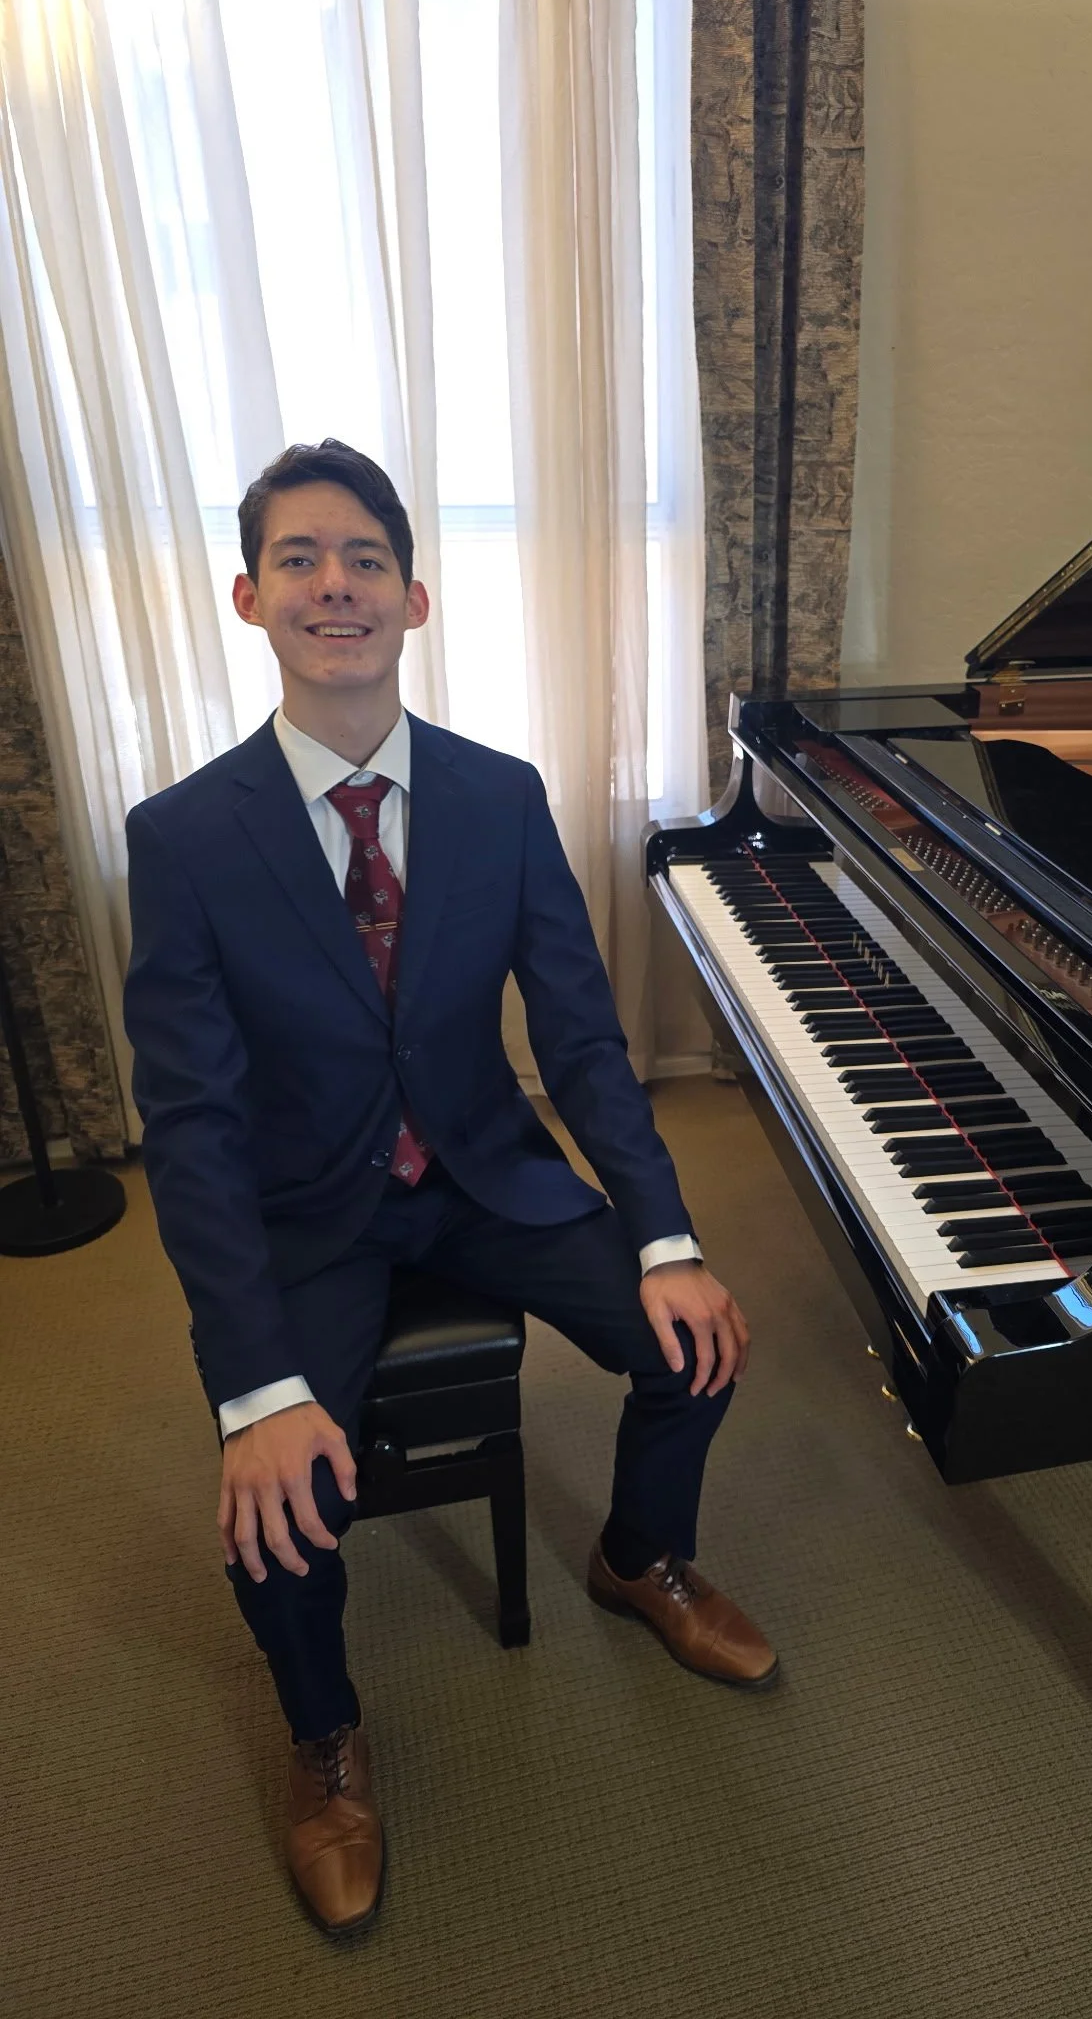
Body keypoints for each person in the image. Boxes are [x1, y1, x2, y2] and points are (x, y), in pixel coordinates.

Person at [122, 438, 775, 1936]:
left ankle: (636, 1556)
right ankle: (323, 1731)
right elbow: (194, 1129)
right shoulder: (185, 838)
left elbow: (583, 1034)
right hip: (307, 1207)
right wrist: (251, 1392)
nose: (333, 584)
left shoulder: (498, 794)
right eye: (299, 559)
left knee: (701, 1339)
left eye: (363, 558)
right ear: (249, 596)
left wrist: (665, 1233)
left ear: (413, 597)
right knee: (274, 1503)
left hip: (483, 1172)